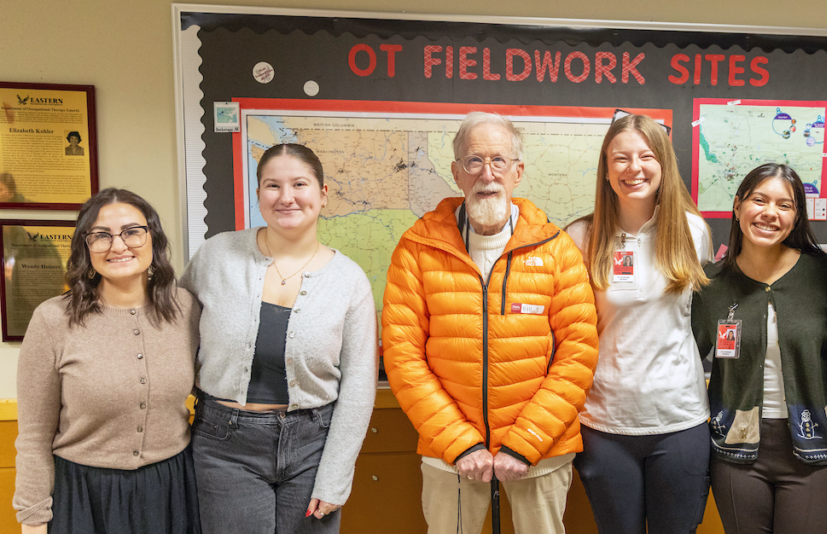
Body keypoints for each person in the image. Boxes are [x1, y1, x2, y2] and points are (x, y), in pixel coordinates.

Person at [382, 112, 599, 534]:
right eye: (473, 161)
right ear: (456, 173)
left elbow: (577, 356)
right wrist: (461, 443)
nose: (487, 174)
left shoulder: (557, 251)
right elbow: (402, 356)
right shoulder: (417, 248)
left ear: (517, 172)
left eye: (499, 161)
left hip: (541, 453)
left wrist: (525, 443)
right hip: (450, 457)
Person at [179, 143, 378, 533]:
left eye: (299, 184)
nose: (286, 197)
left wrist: (336, 475)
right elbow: (175, 339)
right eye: (272, 185)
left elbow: (358, 383)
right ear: (258, 195)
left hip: (313, 447)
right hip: (224, 446)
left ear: (322, 194)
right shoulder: (216, 256)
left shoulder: (349, 280)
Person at [13, 188, 201, 533]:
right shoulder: (53, 320)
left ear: (153, 238)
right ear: (86, 248)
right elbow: (34, 435)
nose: (118, 245)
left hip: (172, 492)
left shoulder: (186, 308)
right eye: (101, 236)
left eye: (132, 231)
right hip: (85, 497)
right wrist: (33, 519)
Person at [565, 113, 712, 534]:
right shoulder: (580, 237)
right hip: (604, 423)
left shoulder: (692, 231)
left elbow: (700, 317)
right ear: (606, 169)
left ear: (663, 163)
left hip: (678, 421)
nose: (634, 168)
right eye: (621, 158)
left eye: (646, 156)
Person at [691, 163, 827, 534]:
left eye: (784, 205)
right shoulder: (709, 284)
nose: (769, 213)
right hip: (736, 450)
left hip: (818, 450)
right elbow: (682, 361)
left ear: (796, 218)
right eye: (759, 200)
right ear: (737, 205)